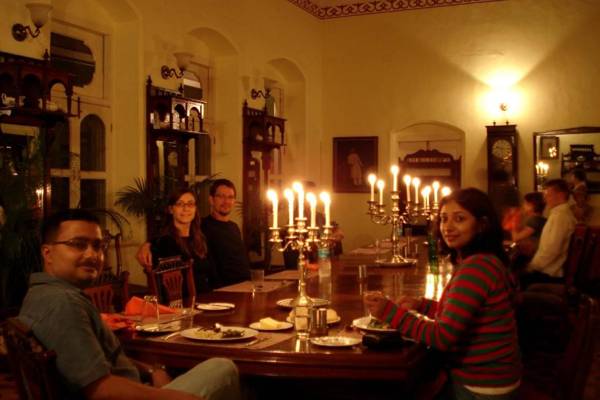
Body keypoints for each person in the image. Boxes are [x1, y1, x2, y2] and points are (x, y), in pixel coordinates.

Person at [18, 209, 240, 400]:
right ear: (47, 252)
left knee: (218, 367)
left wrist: (152, 369)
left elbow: (100, 362)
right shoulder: (63, 304)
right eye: (78, 245)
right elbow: (100, 389)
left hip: (135, 384)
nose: (92, 254)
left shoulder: (42, 292)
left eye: (97, 246)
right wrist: (177, 396)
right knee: (225, 368)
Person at [364, 188, 521, 399]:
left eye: (460, 219)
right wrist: (422, 305)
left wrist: (390, 312)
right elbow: (463, 316)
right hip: (498, 376)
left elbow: (442, 337)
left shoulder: (476, 269)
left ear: (482, 225)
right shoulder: (487, 260)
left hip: (482, 386)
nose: (448, 227)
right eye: (443, 219)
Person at [137, 179, 250, 287]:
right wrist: (148, 244)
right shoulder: (204, 227)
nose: (226, 201)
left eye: (230, 197)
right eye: (221, 196)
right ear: (211, 200)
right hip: (216, 293)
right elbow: (165, 237)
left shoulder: (200, 235)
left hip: (241, 286)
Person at [148, 188, 219, 293]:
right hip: (182, 303)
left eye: (190, 204)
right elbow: (174, 285)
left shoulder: (201, 239)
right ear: (171, 209)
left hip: (207, 299)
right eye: (180, 204)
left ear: (195, 209)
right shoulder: (164, 242)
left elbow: (213, 274)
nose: (186, 208)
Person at [521, 179, 576, 288]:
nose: (545, 199)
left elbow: (552, 250)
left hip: (550, 274)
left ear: (561, 195)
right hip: (549, 270)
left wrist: (531, 267)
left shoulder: (560, 217)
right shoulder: (560, 214)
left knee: (513, 277)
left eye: (548, 195)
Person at [509, 192, 547, 263]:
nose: (523, 206)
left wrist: (513, 220)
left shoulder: (534, 220)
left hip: (532, 257)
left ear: (532, 206)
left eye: (525, 203)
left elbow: (516, 238)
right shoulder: (540, 219)